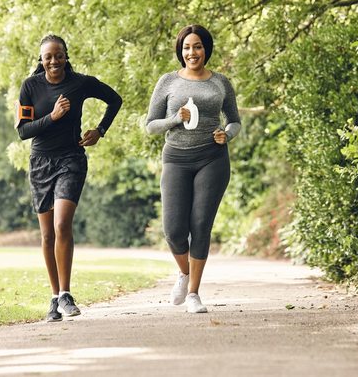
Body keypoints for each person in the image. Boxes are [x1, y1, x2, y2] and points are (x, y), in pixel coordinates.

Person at [16, 34, 122, 322]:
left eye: (58, 55)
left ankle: (66, 293)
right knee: (47, 234)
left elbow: (115, 99)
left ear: (65, 56)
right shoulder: (30, 86)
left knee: (62, 224)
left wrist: (100, 131)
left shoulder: (80, 83)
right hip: (40, 163)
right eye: (48, 56)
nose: (53, 61)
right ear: (42, 59)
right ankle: (54, 298)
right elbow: (23, 131)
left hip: (71, 160)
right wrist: (52, 116)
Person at [145, 24, 241, 313]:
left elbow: (234, 120)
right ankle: (184, 274)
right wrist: (174, 119)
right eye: (187, 47)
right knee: (173, 230)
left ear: (205, 49)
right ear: (180, 51)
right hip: (176, 158)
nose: (192, 52)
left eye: (197, 46)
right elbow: (150, 125)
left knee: (200, 225)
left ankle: (194, 294)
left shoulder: (220, 82)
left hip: (212, 158)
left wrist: (228, 133)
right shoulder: (168, 82)